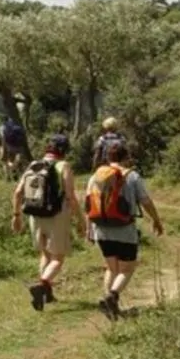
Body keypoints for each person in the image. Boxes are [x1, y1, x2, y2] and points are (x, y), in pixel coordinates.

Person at [85, 140, 164, 321]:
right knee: (127, 269)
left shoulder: (95, 176)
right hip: (124, 229)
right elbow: (145, 201)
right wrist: (156, 220)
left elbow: (89, 205)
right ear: (126, 157)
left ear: (107, 157)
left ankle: (110, 304)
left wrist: (89, 229)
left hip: (102, 229)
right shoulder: (132, 176)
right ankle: (111, 296)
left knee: (111, 268)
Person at [12, 134, 86, 311]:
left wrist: (16, 215)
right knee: (58, 259)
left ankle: (46, 294)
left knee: (45, 255)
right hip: (57, 216)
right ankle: (42, 285)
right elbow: (70, 196)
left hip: (35, 215)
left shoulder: (34, 165)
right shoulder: (64, 166)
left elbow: (17, 192)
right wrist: (81, 220)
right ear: (64, 150)